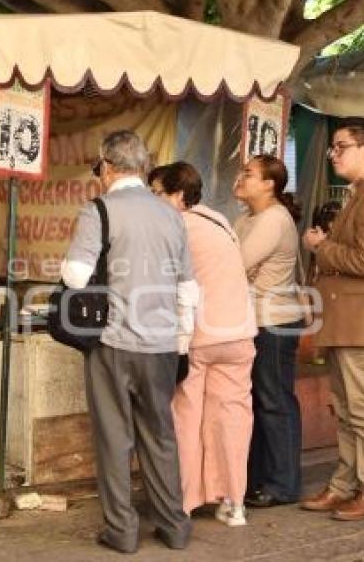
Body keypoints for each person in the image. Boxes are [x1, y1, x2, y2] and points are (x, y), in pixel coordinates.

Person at [61, 130, 197, 553]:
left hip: (113, 343)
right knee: (160, 435)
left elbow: (76, 278)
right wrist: (183, 343)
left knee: (114, 437)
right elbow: (188, 289)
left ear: (107, 165)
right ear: (140, 164)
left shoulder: (98, 210)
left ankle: (121, 531)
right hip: (161, 346)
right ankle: (174, 526)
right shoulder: (171, 214)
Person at [301, 116, 364, 521]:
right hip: (348, 320)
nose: (333, 154)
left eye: (341, 147)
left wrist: (322, 247)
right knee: (346, 409)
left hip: (363, 322)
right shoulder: (360, 193)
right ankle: (346, 484)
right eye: (333, 147)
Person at [151, 162, 258, 526]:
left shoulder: (176, 226)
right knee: (232, 418)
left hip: (199, 337)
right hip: (240, 334)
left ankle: (184, 501)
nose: (153, 201)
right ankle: (234, 502)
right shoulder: (219, 220)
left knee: (187, 417)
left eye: (158, 193)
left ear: (179, 195)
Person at [232, 154, 305, 509]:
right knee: (261, 402)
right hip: (255, 319)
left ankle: (283, 484)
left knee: (275, 402)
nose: (240, 178)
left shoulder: (273, 219)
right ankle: (260, 478)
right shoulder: (248, 218)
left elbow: (235, 264)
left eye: (248, 174)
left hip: (275, 321)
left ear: (269, 184)